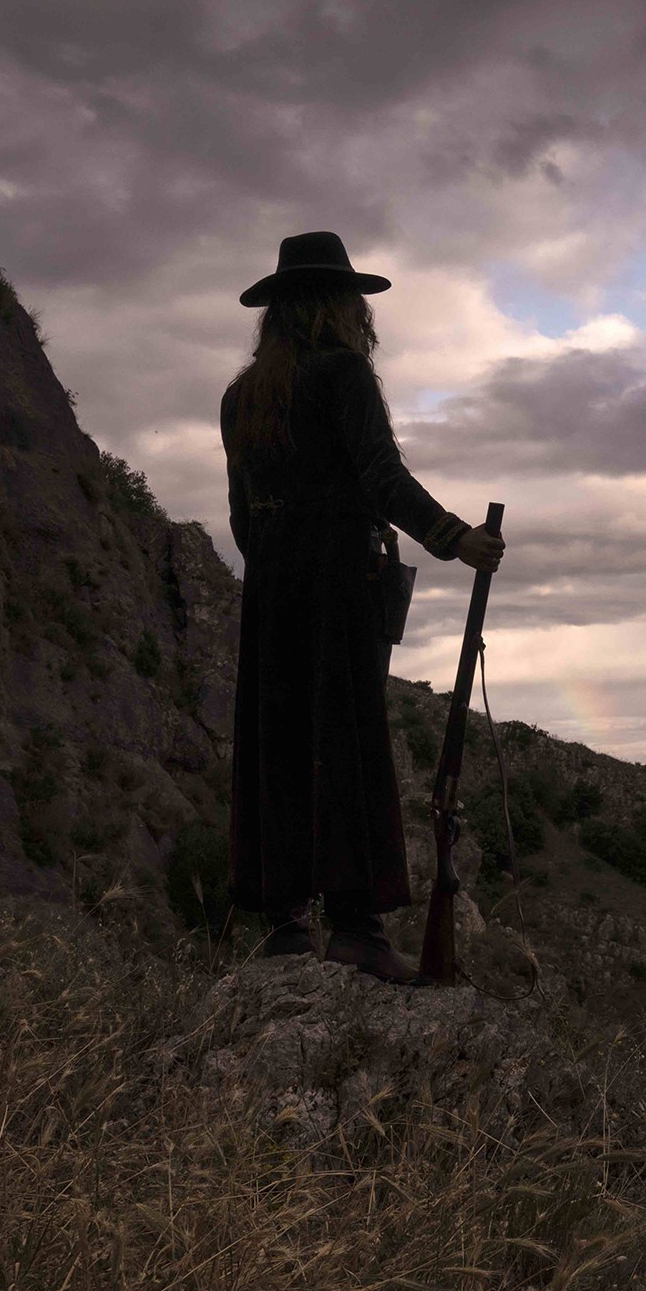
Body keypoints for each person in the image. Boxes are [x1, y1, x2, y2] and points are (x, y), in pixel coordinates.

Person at [221, 232, 505, 984]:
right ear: (336, 305)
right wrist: (455, 538)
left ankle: (284, 923)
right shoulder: (343, 373)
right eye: (351, 300)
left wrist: (279, 566)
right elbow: (383, 476)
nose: (359, 313)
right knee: (346, 741)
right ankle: (355, 926)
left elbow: (242, 519)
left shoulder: (241, 397)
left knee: (279, 740)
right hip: (339, 581)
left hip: (271, 590)